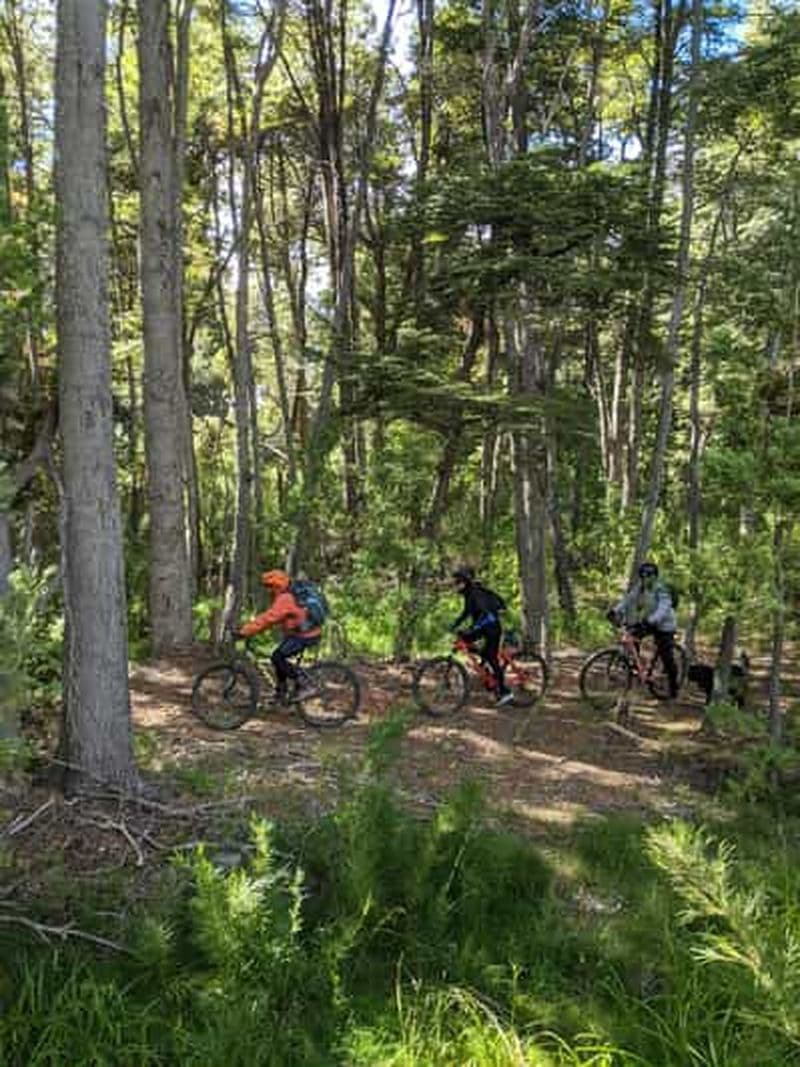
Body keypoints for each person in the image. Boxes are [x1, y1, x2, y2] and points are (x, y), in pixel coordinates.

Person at [237, 569, 321, 702]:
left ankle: (306, 685)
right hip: (302, 633)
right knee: (278, 657)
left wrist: (245, 631)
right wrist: (254, 629)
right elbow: (272, 619)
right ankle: (281, 693)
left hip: (306, 635)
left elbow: (269, 618)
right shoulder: (286, 596)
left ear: (277, 585)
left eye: (269, 587)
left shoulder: (285, 598)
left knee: (277, 657)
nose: (268, 590)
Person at [610, 560, 679, 698]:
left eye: (649, 575)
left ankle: (673, 686)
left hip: (665, 626)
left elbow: (663, 608)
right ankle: (637, 667)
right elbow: (628, 599)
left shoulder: (661, 590)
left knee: (667, 657)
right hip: (649, 621)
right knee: (632, 636)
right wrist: (615, 610)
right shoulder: (641, 587)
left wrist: (650, 621)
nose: (646, 578)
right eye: (643, 575)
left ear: (655, 576)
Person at [450, 565, 514, 706]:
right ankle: (485, 669)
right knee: (464, 641)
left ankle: (505, 692)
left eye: (457, 582)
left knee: (491, 656)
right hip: (483, 628)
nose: (455, 585)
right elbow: (466, 612)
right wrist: (454, 624)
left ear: (465, 581)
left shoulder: (476, 594)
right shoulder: (469, 594)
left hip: (492, 628)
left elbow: (487, 616)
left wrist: (472, 628)